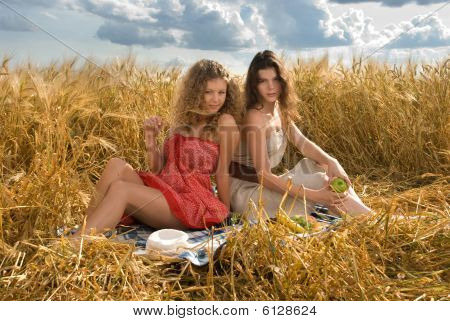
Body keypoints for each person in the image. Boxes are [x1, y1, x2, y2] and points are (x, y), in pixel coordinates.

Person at [73, 59, 241, 237]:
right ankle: (85, 230)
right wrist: (151, 139)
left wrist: (225, 215)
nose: (216, 99)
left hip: (190, 203)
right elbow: (158, 168)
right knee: (115, 165)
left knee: (121, 189)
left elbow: (223, 172)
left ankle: (75, 245)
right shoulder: (183, 120)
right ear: (196, 91)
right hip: (163, 191)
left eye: (221, 92)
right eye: (209, 92)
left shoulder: (225, 122)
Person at [229, 50, 371, 221]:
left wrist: (332, 162)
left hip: (263, 185)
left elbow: (303, 143)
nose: (271, 87)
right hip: (248, 194)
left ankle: (360, 214)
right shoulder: (255, 117)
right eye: (263, 81)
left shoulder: (277, 109)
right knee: (319, 181)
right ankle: (373, 221)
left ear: (283, 80)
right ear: (254, 86)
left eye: (275, 79)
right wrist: (315, 196)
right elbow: (264, 176)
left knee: (320, 166)